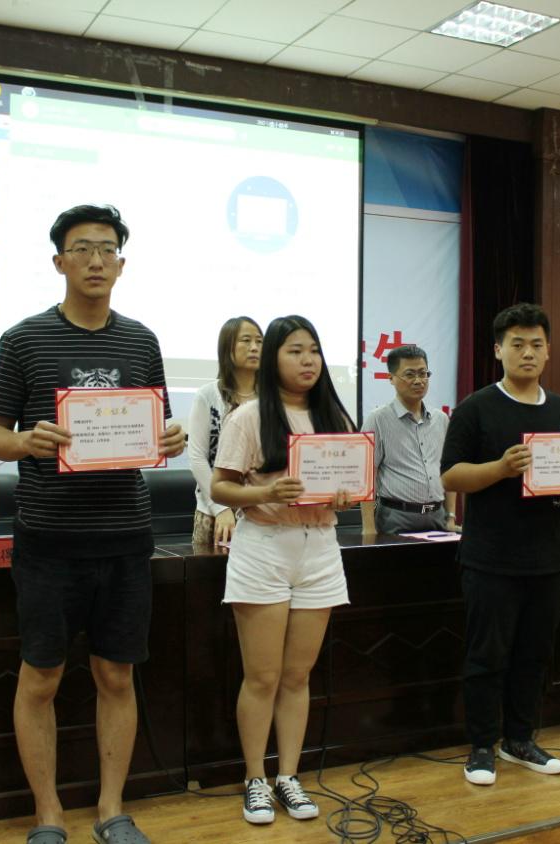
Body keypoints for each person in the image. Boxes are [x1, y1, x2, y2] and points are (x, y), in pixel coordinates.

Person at [0, 204, 185, 844]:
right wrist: (26, 442)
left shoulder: (141, 341)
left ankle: (110, 809)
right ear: (59, 261)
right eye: (82, 249)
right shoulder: (24, 339)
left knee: (116, 675)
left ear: (121, 264)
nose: (96, 260)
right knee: (41, 677)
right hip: (49, 540)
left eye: (106, 249)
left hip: (125, 536)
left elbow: (157, 427)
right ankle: (48, 814)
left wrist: (172, 439)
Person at [440, 303, 560, 786]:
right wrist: (500, 468)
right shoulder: (476, 408)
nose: (527, 353)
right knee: (487, 656)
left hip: (550, 554)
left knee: (534, 654)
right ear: (498, 350)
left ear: (548, 351)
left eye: (536, 344)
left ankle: (520, 739)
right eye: (517, 344)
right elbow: (451, 476)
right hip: (491, 556)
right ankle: (481, 746)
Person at [210, 315, 355, 825]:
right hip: (264, 547)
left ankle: (288, 776)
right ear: (273, 357)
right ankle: (255, 778)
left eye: (313, 350)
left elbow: (351, 483)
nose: (307, 360)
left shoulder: (335, 415)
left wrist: (345, 495)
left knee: (296, 676)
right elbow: (220, 487)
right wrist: (266, 492)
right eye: (295, 350)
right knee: (263, 676)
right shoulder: (248, 417)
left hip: (320, 548)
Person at [359, 344, 457, 535]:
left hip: (437, 515)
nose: (418, 381)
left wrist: (451, 516)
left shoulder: (441, 419)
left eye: (423, 374)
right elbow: (367, 476)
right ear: (391, 378)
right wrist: (368, 527)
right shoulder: (378, 419)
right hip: (396, 516)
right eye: (410, 374)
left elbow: (449, 470)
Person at [187, 316, 263, 546]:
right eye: (246, 340)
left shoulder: (273, 399)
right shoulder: (208, 395)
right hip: (215, 514)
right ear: (227, 348)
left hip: (263, 515)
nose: (254, 347)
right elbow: (197, 457)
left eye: (259, 341)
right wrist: (220, 507)